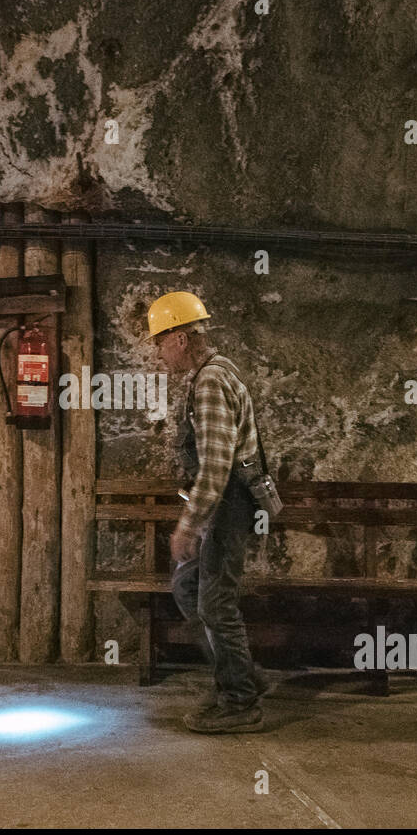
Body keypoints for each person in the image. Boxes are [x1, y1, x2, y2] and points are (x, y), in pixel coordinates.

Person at [147, 290, 272, 734]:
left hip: (228, 506)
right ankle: (244, 675)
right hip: (222, 503)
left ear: (180, 338)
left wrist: (189, 525)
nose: (160, 354)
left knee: (215, 603)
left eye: (160, 342)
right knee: (187, 588)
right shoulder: (211, 374)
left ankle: (240, 701)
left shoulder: (211, 381)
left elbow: (217, 464)